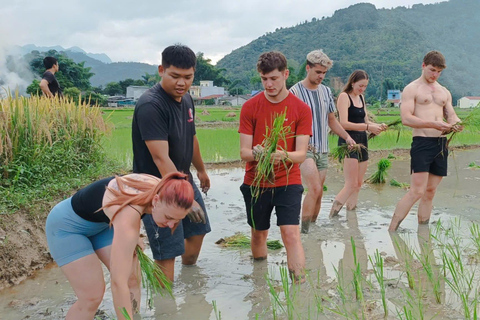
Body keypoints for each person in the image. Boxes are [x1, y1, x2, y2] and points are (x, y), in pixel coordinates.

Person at [45, 172, 198, 320]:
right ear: (156, 200)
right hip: (67, 228)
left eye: (178, 220)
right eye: (169, 217)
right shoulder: (128, 217)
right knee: (92, 296)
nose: (171, 224)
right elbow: (118, 283)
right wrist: (132, 237)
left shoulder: (165, 188)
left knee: (132, 277)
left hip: (102, 225)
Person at [131, 44, 211, 282]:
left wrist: (202, 170)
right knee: (167, 251)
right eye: (175, 76)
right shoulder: (151, 105)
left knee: (197, 232)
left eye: (188, 77)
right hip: (157, 186)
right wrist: (183, 197)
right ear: (161, 70)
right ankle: (165, 303)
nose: (181, 83)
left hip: (182, 177)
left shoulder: (187, 100)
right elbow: (160, 157)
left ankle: (187, 283)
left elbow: (191, 137)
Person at [239, 51, 312, 282]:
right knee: (259, 234)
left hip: (288, 180)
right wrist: (259, 153)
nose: (269, 84)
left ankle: (299, 286)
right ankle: (259, 282)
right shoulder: (250, 107)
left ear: (285, 74)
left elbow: (300, 154)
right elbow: (244, 152)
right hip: (256, 181)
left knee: (290, 233)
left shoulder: (301, 109)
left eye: (274, 78)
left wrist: (283, 155)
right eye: (264, 79)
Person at [388, 51, 462, 231]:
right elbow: (406, 118)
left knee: (430, 192)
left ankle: (423, 232)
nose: (434, 74)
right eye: (431, 70)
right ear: (423, 66)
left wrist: (456, 123)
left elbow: (451, 115)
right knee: (417, 191)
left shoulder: (444, 92)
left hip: (441, 145)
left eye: (438, 72)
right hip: (422, 142)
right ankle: (392, 230)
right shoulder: (412, 88)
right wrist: (433, 124)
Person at [290, 49, 355, 233]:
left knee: (319, 193)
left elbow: (331, 120)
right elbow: (288, 123)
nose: (321, 76)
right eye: (318, 72)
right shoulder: (294, 92)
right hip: (305, 149)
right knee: (314, 187)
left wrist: (347, 137)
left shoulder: (326, 91)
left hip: (323, 148)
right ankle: (302, 231)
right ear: (308, 68)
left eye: (324, 73)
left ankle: (312, 228)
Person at [329, 70, 386, 218]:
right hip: (348, 140)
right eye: (360, 85)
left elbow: (366, 121)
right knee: (351, 184)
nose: (362, 89)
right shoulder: (344, 97)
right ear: (352, 82)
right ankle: (333, 216)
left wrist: (377, 126)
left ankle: (351, 217)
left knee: (358, 184)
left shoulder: (361, 97)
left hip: (362, 141)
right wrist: (368, 127)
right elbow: (344, 123)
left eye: (365, 86)